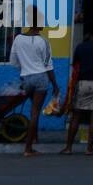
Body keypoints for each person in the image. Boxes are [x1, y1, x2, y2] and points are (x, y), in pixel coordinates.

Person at [61, 23, 93, 155]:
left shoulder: (81, 47)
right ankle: (89, 148)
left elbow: (75, 65)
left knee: (76, 115)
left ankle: (68, 148)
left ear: (88, 33)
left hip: (83, 83)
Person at [9, 17, 58, 156]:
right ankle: (28, 149)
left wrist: (24, 69)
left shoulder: (18, 39)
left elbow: (13, 61)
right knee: (35, 113)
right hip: (41, 78)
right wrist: (55, 85)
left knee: (33, 109)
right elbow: (48, 65)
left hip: (26, 78)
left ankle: (34, 138)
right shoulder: (43, 41)